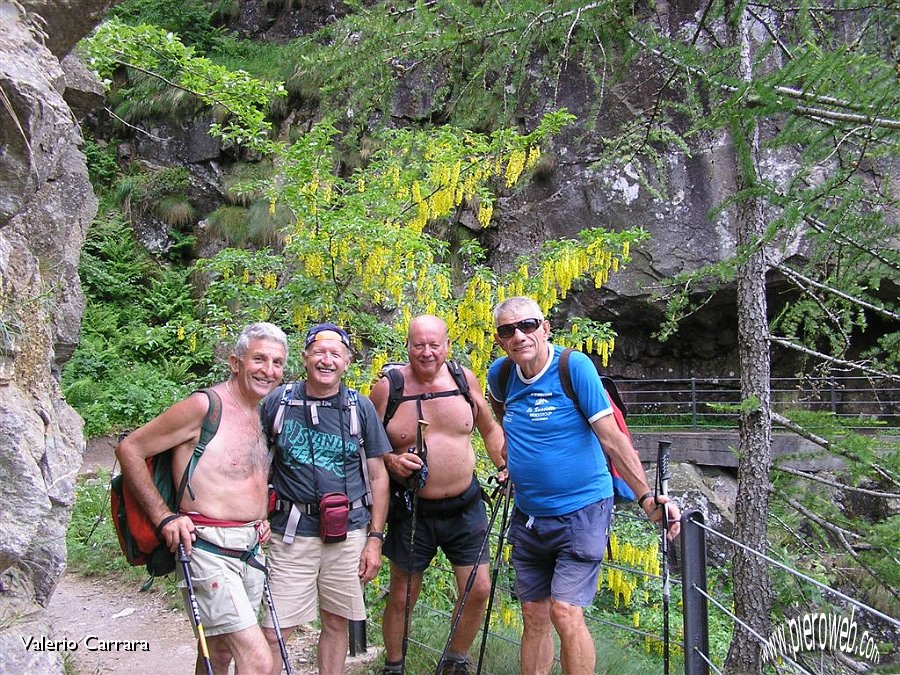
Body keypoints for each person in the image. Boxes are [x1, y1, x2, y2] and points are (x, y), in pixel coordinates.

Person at [486, 296, 681, 675]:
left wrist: (646, 499)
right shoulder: (501, 374)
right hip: (529, 514)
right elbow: (501, 414)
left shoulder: (573, 368)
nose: (519, 336)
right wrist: (511, 458)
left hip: (582, 511)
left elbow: (612, 439)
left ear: (545, 328)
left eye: (527, 325)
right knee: (533, 613)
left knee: (565, 610)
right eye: (508, 330)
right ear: (499, 340)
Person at [116, 321, 288, 674]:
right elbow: (130, 449)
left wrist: (260, 519)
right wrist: (165, 517)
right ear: (235, 362)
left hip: (250, 547)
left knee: (218, 652)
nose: (268, 370)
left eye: (277, 363)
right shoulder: (204, 407)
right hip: (208, 547)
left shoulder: (258, 411)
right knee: (257, 660)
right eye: (259, 359)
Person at [369, 315, 506, 675]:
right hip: (413, 509)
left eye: (434, 344)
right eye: (419, 345)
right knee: (403, 594)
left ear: (446, 344)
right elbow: (366, 445)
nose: (427, 352)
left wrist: (505, 465)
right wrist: (391, 460)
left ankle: (455, 661)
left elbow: (490, 429)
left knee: (478, 589)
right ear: (408, 346)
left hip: (466, 506)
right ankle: (394, 665)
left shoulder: (463, 379)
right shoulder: (389, 387)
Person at [260, 323, 391, 675]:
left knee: (336, 623)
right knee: (274, 632)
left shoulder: (359, 408)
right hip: (290, 532)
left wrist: (375, 540)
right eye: (319, 352)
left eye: (336, 354)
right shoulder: (279, 402)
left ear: (347, 362)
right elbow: (256, 464)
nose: (327, 360)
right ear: (304, 358)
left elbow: (379, 476)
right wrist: (256, 515)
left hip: (348, 533)